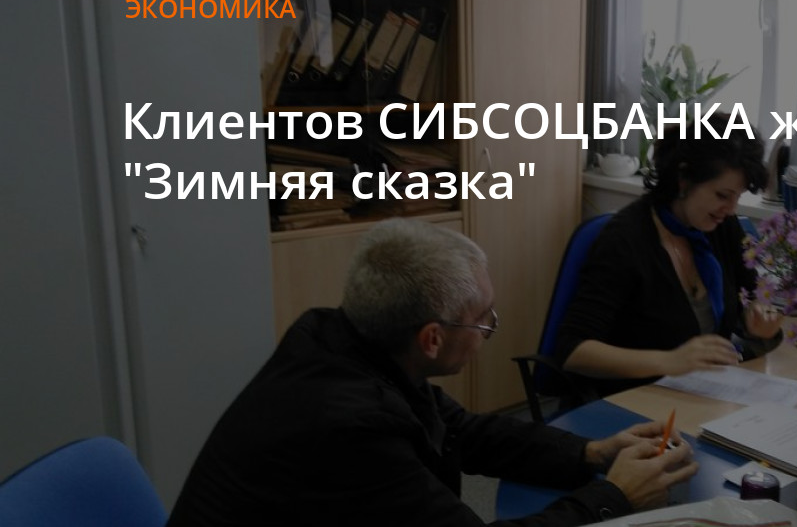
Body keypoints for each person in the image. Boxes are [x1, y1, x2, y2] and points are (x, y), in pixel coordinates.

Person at [167, 219, 697, 527]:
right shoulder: (348, 428)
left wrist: (593, 453)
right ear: (432, 338)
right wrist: (615, 496)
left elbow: (460, 430)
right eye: (483, 319)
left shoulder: (343, 337)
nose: (490, 328)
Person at [554, 112, 783, 399]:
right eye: (722, 195)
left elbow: (752, 297)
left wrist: (759, 322)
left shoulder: (721, 228)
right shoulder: (626, 240)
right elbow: (572, 350)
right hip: (634, 400)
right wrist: (670, 361)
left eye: (737, 196)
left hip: (702, 395)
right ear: (684, 179)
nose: (731, 208)